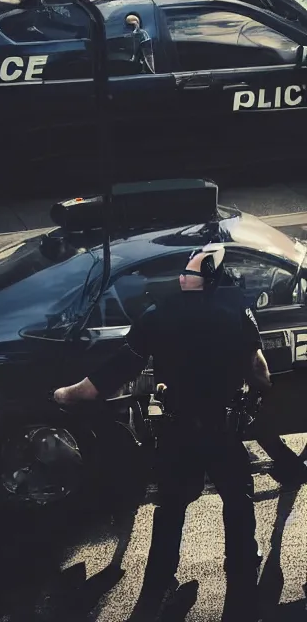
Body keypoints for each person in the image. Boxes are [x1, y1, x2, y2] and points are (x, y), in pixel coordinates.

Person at [54, 246, 272, 621]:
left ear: (202, 278)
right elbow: (258, 370)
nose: (182, 277)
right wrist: (256, 391)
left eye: (189, 273)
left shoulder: (157, 315)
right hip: (222, 430)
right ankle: (241, 572)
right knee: (237, 502)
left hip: (178, 432)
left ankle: (158, 581)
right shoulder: (237, 306)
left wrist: (64, 395)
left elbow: (109, 377)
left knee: (171, 509)